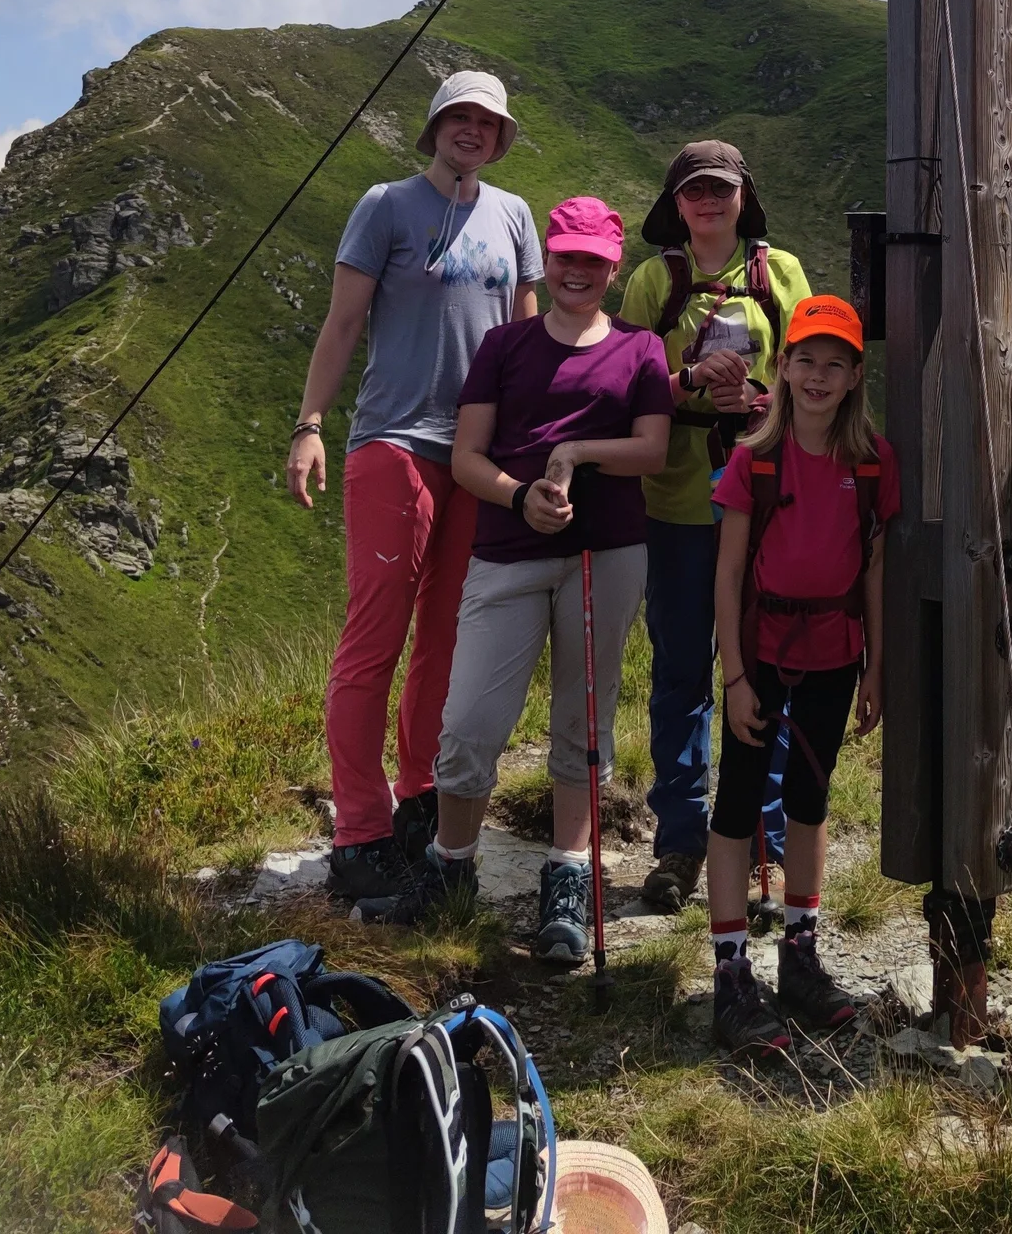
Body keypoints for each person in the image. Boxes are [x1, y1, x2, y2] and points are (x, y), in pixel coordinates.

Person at [364, 197, 672, 954]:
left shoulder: (640, 350)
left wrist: (575, 456)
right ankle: (450, 868)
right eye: (565, 256)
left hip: (608, 551)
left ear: (613, 266)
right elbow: (468, 455)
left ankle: (568, 877)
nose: (576, 271)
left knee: (582, 724)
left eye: (592, 261)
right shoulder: (505, 346)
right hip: (506, 550)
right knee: (468, 724)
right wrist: (517, 495)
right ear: (550, 258)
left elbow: (653, 450)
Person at [286, 69, 542, 904]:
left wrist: (534, 448)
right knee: (376, 635)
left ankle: (419, 797)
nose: (472, 131)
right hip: (395, 442)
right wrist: (310, 425)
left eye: (488, 123)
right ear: (433, 128)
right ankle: (358, 829)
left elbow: (527, 340)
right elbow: (344, 321)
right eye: (457, 118)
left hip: (479, 454)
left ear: (501, 139)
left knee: (446, 637)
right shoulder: (385, 205)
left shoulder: (512, 216)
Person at [620, 141, 810, 914]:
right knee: (680, 672)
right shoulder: (650, 282)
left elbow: (817, 377)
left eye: (720, 190)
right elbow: (625, 388)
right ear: (674, 202)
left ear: (742, 197)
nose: (707, 202)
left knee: (769, 672)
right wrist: (691, 382)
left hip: (765, 504)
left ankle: (759, 839)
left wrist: (760, 403)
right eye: (693, 190)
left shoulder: (784, 274)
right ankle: (680, 841)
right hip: (675, 503)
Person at [707, 294, 895, 1054]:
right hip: (761, 650)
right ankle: (729, 973)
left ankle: (799, 956)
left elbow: (875, 570)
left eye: (836, 364)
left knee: (811, 800)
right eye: (805, 360)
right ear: (781, 368)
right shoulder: (752, 458)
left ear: (855, 377)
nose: (818, 376)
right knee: (738, 801)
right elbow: (725, 578)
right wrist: (734, 678)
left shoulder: (874, 462)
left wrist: (876, 665)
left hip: (833, 653)